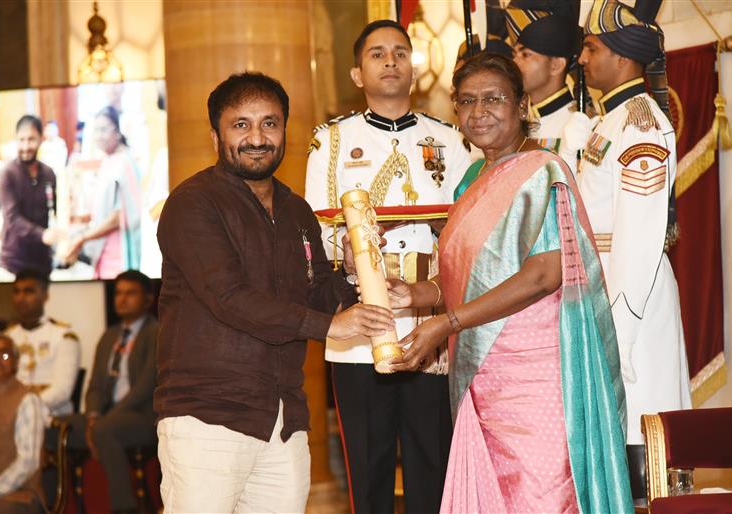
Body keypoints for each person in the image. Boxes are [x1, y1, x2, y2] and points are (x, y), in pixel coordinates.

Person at [389, 52, 633, 513]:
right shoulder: (469, 182)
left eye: (493, 99)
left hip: (535, 376)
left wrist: (449, 323)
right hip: (482, 378)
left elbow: (543, 275)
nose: (478, 112)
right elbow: (462, 279)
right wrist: (416, 294)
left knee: (540, 493)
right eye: (466, 101)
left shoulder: (543, 172)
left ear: (522, 105)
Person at [155, 71, 394, 514]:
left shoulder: (296, 210)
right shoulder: (193, 203)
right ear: (216, 135)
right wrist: (330, 326)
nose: (257, 137)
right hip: (208, 419)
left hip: (283, 422)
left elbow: (318, 293)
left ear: (285, 129)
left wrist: (354, 266)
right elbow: (228, 297)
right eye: (240, 124)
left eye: (270, 123)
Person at [304, 19, 472, 514]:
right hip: (362, 317)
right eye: (377, 54)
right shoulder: (331, 141)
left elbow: (467, 230)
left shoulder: (451, 139)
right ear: (358, 73)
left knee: (431, 461)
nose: (391, 60)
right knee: (369, 468)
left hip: (429, 317)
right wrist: (355, 246)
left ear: (414, 68)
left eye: (400, 52)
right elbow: (316, 231)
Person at [573, 0, 692, 499]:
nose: (581, 59)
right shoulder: (611, 120)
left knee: (643, 447)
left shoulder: (640, 123)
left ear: (622, 58)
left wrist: (617, 330)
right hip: (606, 284)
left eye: (591, 48)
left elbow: (640, 241)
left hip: (631, 299)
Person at [64, 270, 158, 514]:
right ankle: (56, 505)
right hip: (107, 417)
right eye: (118, 293)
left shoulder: (156, 332)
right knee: (58, 428)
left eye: (130, 293)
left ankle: (124, 509)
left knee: (106, 429)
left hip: (143, 416)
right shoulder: (109, 336)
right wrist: (93, 417)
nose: (122, 299)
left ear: (148, 299)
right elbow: (95, 385)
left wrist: (104, 421)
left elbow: (146, 387)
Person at [63, 106, 142, 279]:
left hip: (119, 253)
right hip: (103, 251)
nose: (99, 136)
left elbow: (118, 217)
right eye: (96, 130)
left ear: (117, 131)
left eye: (104, 129)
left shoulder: (125, 162)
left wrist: (83, 237)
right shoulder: (108, 161)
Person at [506, 0, 583, 154]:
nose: (514, 63)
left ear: (556, 65)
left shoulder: (576, 125)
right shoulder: (515, 124)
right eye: (514, 55)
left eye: (526, 55)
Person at [6, 269, 81, 418]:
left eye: (29, 292)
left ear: (45, 296)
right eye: (16, 292)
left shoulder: (63, 336)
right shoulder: (8, 337)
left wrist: (23, 408)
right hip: (9, 416)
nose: (21, 298)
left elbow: (62, 391)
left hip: (50, 416)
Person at [0, 115, 61, 281]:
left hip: (42, 263)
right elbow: (12, 218)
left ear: (41, 139)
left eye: (31, 139)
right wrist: (42, 235)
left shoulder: (49, 173)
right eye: (21, 140)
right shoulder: (7, 174)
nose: (26, 146)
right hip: (14, 264)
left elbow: (56, 210)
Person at [0, 333, 46, 514]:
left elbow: (28, 462)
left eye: (4, 355)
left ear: (16, 362)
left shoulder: (27, 400)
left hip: (18, 493)